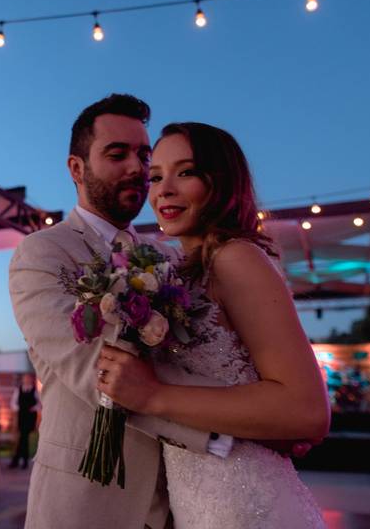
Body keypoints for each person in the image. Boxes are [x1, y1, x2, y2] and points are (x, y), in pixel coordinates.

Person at [10, 95, 251, 529]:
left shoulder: (169, 256)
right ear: (76, 168)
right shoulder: (43, 253)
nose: (138, 168)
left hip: (184, 498)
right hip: (88, 500)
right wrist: (240, 422)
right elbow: (94, 368)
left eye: (144, 155)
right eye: (117, 154)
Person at [95, 122, 329, 528]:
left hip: (247, 505)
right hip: (196, 504)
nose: (163, 189)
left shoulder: (236, 258)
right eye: (155, 176)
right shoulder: (183, 273)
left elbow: (307, 410)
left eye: (185, 172)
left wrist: (152, 396)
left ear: (221, 181)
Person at [9, 373, 40, 469]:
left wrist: (33, 408)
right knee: (23, 438)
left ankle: (17, 460)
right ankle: (22, 461)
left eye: (28, 378)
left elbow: (39, 404)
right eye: (25, 378)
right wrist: (19, 408)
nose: (26, 380)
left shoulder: (35, 391)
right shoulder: (18, 390)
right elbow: (13, 403)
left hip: (30, 417)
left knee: (24, 437)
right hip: (21, 417)